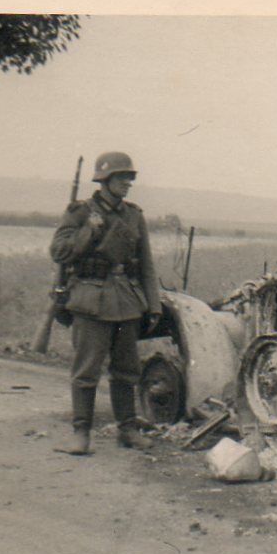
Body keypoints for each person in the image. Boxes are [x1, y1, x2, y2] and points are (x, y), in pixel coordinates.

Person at [50, 151, 161, 455]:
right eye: (122, 178)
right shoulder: (80, 212)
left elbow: (147, 265)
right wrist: (89, 231)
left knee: (127, 369)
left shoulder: (134, 215)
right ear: (105, 180)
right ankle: (80, 433)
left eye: (130, 178)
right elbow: (59, 252)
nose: (128, 183)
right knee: (86, 370)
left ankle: (127, 430)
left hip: (126, 301)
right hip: (90, 299)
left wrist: (153, 304)